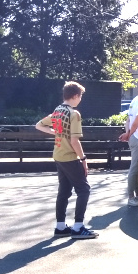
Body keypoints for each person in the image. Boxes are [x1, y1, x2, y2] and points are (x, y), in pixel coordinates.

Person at [35, 81, 98, 239]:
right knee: (84, 190)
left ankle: (60, 226)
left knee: (63, 192)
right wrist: (83, 159)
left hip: (58, 155)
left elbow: (39, 125)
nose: (80, 100)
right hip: (70, 157)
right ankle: (78, 227)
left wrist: (55, 133)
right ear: (75, 96)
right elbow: (74, 141)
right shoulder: (74, 114)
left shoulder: (58, 110)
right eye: (80, 96)